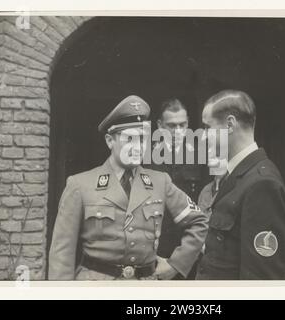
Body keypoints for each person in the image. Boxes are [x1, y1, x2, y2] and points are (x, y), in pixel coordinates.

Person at [49, 95, 208, 280]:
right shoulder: (80, 185)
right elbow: (62, 255)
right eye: (129, 139)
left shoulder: (160, 181)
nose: (137, 147)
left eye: (142, 139)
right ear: (110, 141)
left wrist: (176, 264)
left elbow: (199, 222)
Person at [196, 90, 285, 280]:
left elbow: (260, 279)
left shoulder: (262, 184)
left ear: (230, 124)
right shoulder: (237, 175)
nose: (204, 136)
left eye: (208, 127)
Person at [144, 98, 208, 279]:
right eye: (171, 126)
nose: (178, 131)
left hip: (187, 246)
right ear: (159, 126)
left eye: (183, 125)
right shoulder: (145, 157)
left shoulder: (200, 155)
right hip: (154, 245)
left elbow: (207, 199)